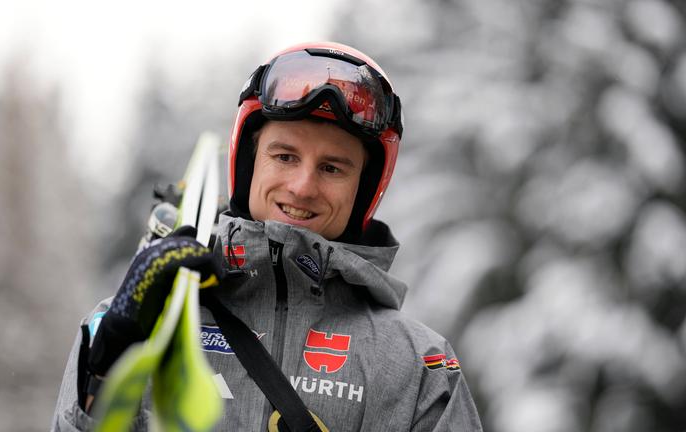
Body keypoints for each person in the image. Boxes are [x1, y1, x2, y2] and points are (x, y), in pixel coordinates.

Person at [52, 41, 483, 431]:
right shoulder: (147, 322)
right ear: (248, 163)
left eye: (332, 167)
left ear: (364, 189)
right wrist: (110, 357)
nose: (302, 186)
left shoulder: (418, 364)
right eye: (284, 156)